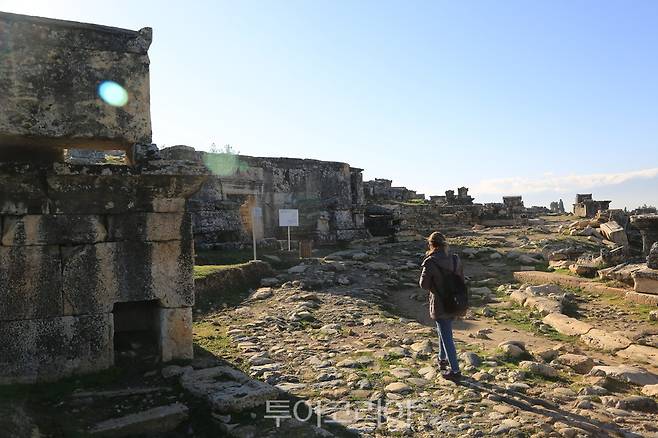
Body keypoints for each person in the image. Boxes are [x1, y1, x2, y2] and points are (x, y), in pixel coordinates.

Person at [419, 231, 464, 381]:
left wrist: (436, 286)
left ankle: (456, 371)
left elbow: (423, 284)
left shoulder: (430, 262)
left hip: (439, 301)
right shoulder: (455, 259)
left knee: (447, 336)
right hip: (455, 300)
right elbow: (461, 279)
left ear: (431, 244)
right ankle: (442, 359)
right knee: (443, 331)